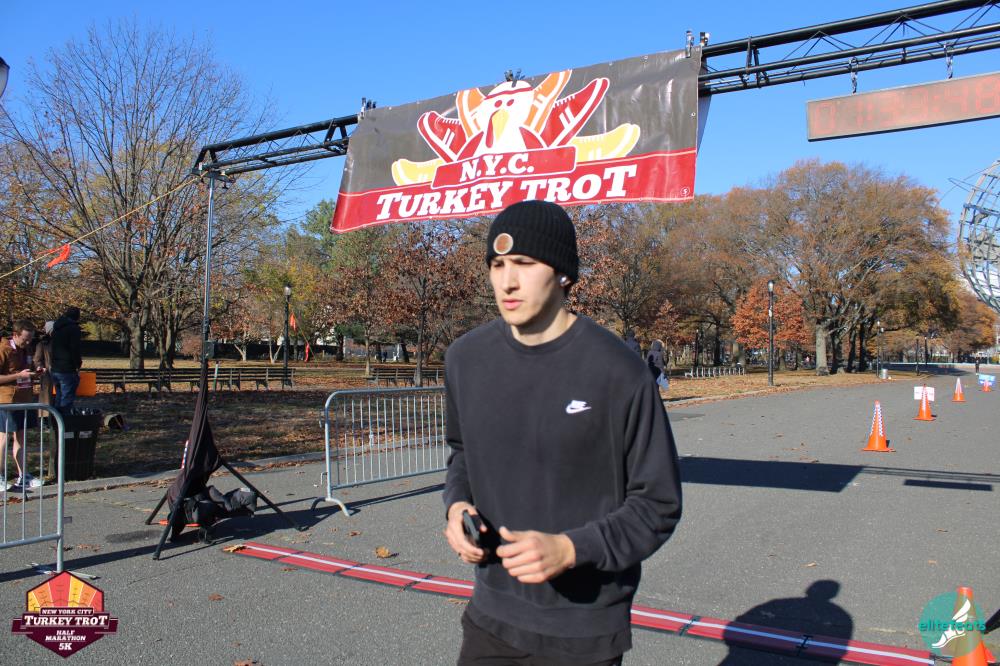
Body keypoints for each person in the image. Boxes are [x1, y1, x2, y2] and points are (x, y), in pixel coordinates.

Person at [442, 200, 683, 665]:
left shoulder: (619, 372)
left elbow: (658, 502)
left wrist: (572, 549)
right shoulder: (465, 360)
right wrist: (456, 506)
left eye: (524, 263)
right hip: (491, 616)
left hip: (583, 629)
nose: (507, 281)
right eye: (497, 265)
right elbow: (462, 452)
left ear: (564, 275)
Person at [0, 319, 42, 490]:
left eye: (30, 339)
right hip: (7, 400)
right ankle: (0, 475)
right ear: (15, 335)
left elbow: (28, 370)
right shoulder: (3, 349)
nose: (27, 343)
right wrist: (19, 376)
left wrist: (36, 373)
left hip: (25, 399)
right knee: (3, 438)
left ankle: (23, 475)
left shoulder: (27, 349)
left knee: (21, 437)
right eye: (25, 339)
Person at [49, 306, 82, 413]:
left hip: (55, 367)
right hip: (67, 368)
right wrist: (78, 364)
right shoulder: (73, 329)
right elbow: (75, 348)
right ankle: (65, 420)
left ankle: (56, 419)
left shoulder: (57, 328)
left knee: (59, 396)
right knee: (67, 398)